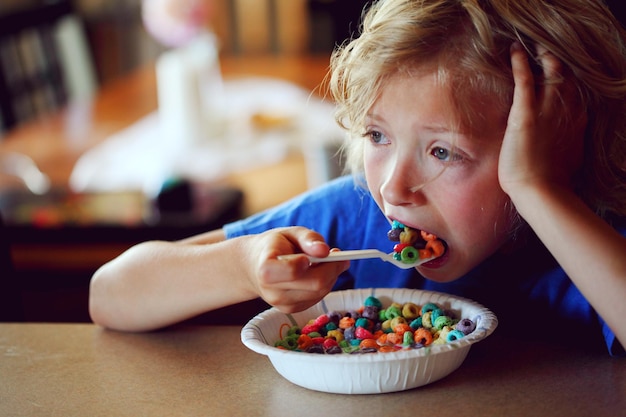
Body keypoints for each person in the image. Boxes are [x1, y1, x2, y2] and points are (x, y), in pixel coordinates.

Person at [89, 0, 626, 356]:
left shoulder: (594, 237)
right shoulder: (352, 221)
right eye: (377, 136)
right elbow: (111, 293)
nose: (393, 188)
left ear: (556, 145)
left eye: (443, 151)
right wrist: (244, 266)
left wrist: (539, 191)